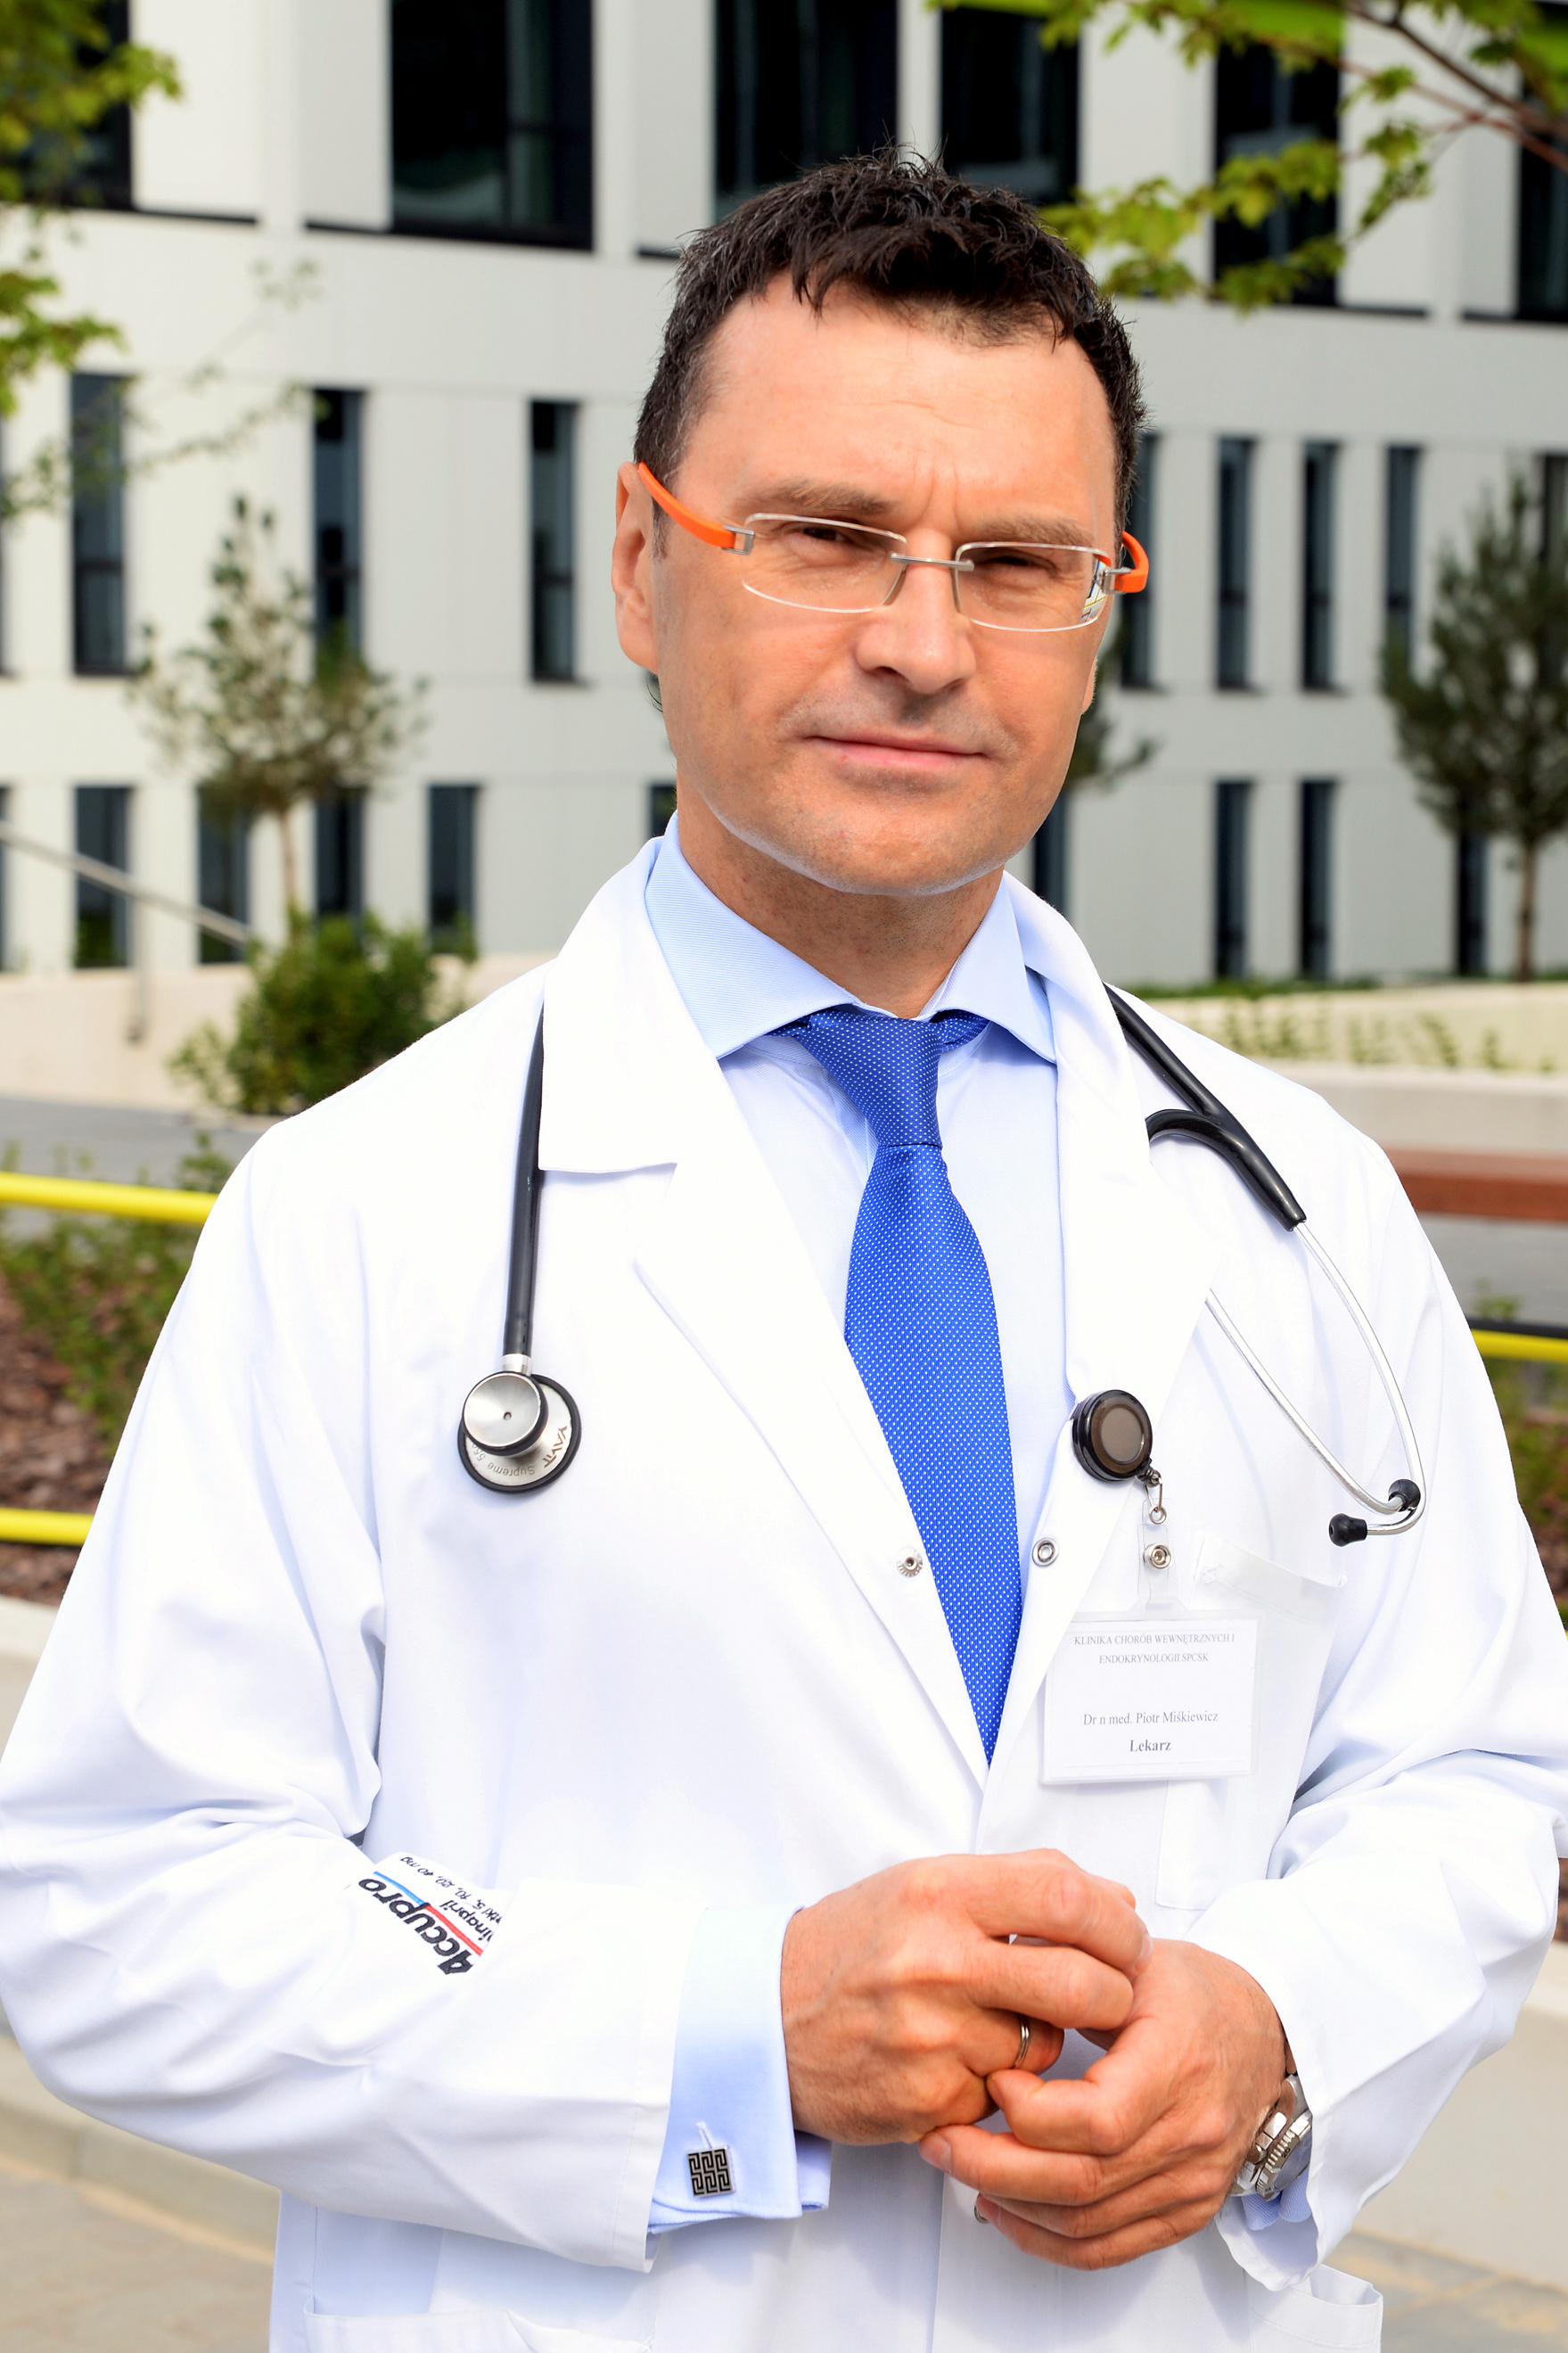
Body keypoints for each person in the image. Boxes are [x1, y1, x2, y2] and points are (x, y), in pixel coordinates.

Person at [1, 152, 1564, 2353]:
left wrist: (1277, 2027)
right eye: (826, 536)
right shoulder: (361, 1213)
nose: (922, 644)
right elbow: (125, 1904)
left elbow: (1472, 1773)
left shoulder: (1292, 1198)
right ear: (645, 566)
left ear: (1099, 609)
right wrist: (728, 2035)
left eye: (1015, 563)